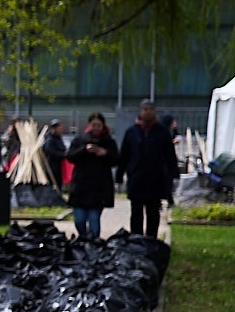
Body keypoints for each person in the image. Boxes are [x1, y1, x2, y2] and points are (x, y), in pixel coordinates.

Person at [117, 100, 180, 235]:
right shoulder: (132, 131)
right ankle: (136, 238)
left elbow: (169, 154)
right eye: (145, 109)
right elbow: (124, 155)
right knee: (136, 212)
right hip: (136, 177)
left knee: (153, 211)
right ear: (140, 111)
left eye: (150, 109)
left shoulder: (162, 131)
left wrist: (174, 174)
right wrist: (119, 175)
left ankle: (151, 239)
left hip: (155, 178)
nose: (148, 112)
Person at [66, 113, 118, 240]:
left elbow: (116, 160)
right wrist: (84, 150)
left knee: (94, 220)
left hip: (99, 188)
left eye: (99, 125)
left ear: (103, 126)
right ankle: (83, 239)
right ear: (89, 125)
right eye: (94, 125)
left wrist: (105, 153)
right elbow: (70, 156)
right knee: (79, 220)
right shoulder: (80, 140)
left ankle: (93, 242)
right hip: (81, 186)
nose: (96, 128)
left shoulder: (108, 141)